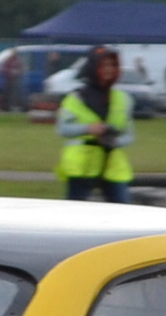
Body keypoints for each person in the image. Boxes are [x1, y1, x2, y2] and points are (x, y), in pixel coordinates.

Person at [56, 45, 136, 202]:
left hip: (112, 165)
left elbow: (130, 135)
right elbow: (62, 129)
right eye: (104, 65)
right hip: (82, 166)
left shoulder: (123, 99)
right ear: (93, 67)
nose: (109, 70)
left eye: (113, 65)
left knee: (124, 211)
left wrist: (114, 141)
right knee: (75, 211)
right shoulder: (75, 99)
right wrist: (89, 129)